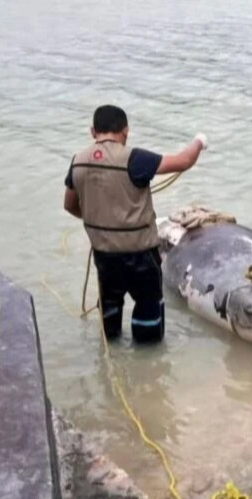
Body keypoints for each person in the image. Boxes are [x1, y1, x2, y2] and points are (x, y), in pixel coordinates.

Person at [64, 105, 207, 343]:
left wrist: (99, 220)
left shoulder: (77, 162)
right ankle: (149, 361)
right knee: (148, 323)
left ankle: (109, 357)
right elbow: (184, 161)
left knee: (109, 325)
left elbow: (69, 205)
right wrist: (199, 141)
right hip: (141, 257)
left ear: (93, 131)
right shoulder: (135, 159)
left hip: (104, 257)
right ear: (126, 131)